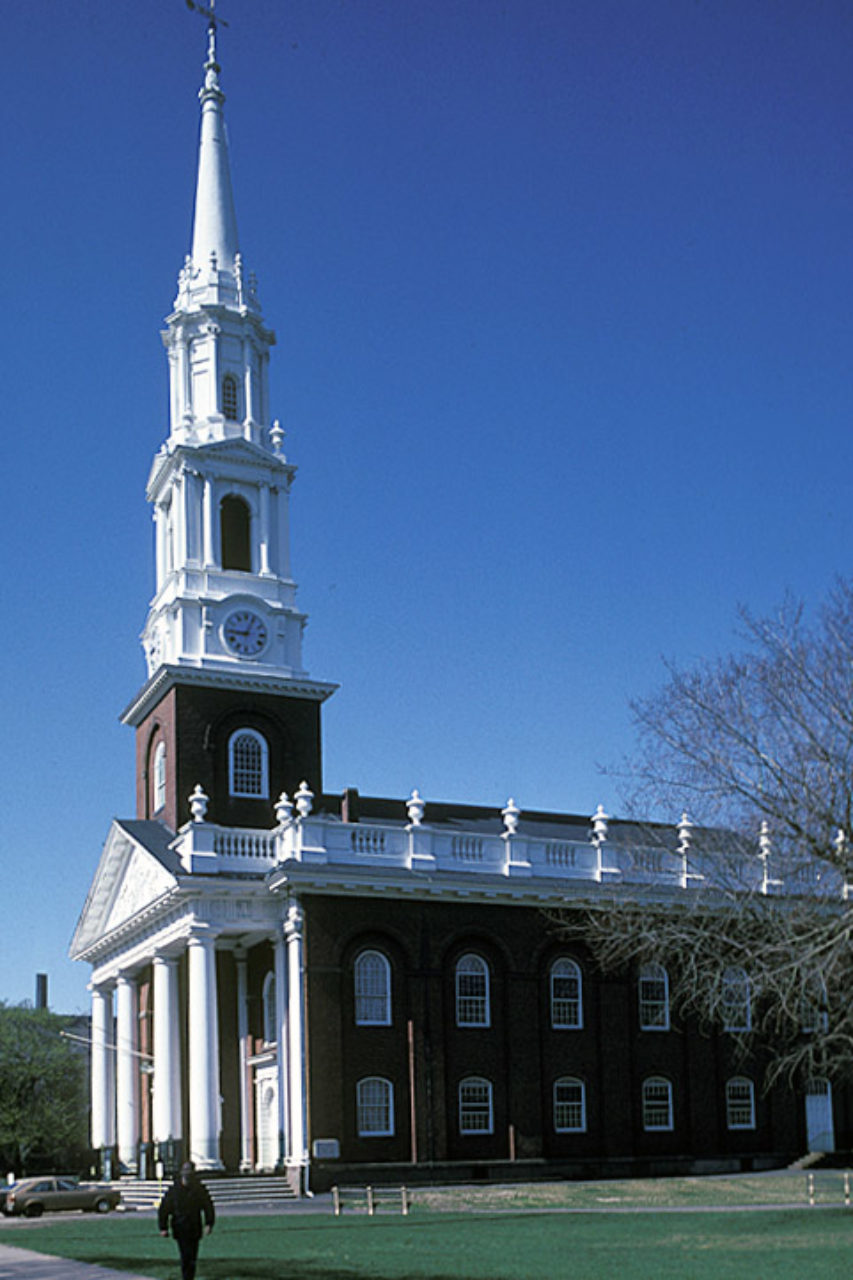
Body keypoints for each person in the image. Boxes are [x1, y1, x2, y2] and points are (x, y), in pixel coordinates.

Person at [158, 1161, 215, 1280]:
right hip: (180, 1227)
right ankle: (187, 1277)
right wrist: (163, 1227)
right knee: (185, 1255)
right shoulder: (174, 1190)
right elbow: (164, 1209)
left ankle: (189, 1277)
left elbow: (208, 1206)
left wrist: (209, 1223)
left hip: (194, 1227)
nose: (187, 1176)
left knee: (192, 1256)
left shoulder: (199, 1189)